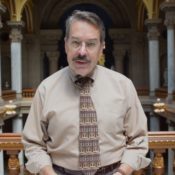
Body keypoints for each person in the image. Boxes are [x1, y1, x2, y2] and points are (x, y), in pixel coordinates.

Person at [22, 10, 151, 175]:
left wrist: (122, 172)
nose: (82, 52)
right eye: (76, 42)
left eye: (90, 44)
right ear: (65, 44)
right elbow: (33, 145)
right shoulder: (46, 89)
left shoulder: (123, 86)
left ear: (102, 46)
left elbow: (138, 141)